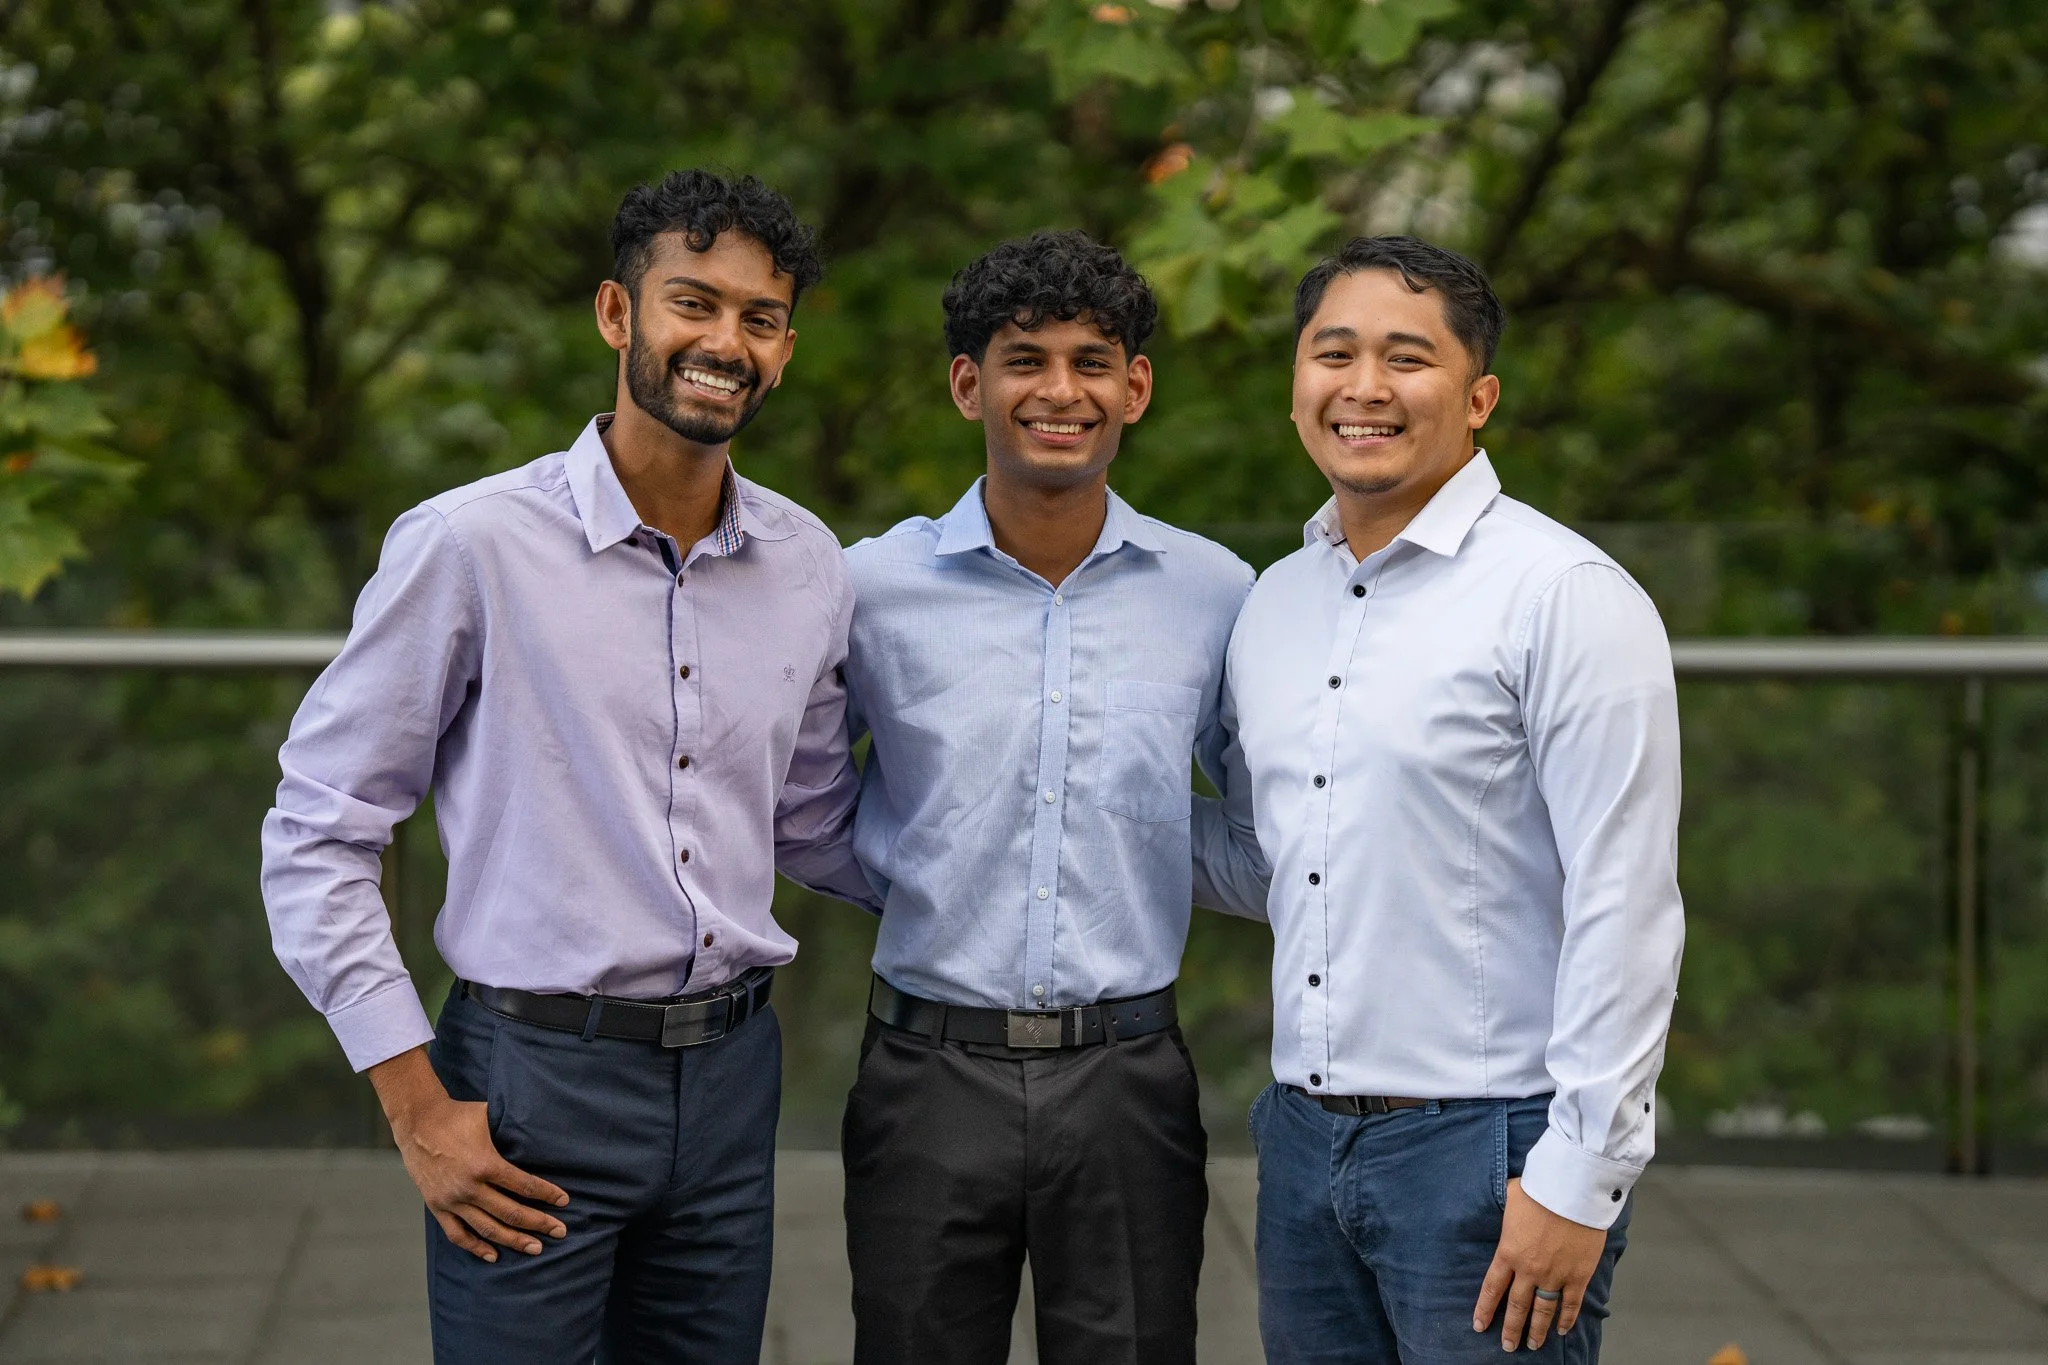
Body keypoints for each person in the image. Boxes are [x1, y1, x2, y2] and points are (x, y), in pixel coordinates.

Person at [259, 169, 873, 1365]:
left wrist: (1010, 906)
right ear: (616, 314)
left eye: (757, 318)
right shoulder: (471, 544)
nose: (722, 341)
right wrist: (415, 1108)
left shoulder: (807, 564)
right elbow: (319, 831)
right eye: (692, 302)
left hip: (735, 1078)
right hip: (532, 1087)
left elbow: (812, 825)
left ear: (785, 350)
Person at [1206, 235, 1685, 1361]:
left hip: (1489, 1147)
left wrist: (1581, 1176)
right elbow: (1272, 859)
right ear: (1294, 388)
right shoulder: (1272, 604)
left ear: (1476, 398)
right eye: (1332, 353)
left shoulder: (1561, 596)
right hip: (1299, 1145)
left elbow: (1626, 902)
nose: (1363, 387)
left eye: (1404, 358)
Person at [837, 229, 1259, 1365]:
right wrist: (924, 868)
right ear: (969, 384)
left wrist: (1149, 852)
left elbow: (1270, 826)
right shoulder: (869, 589)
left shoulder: (1218, 593)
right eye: (1024, 359)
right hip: (926, 1074)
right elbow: (795, 793)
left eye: (1090, 359)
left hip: (1126, 1077)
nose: (1059, 390)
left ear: (1136, 387)